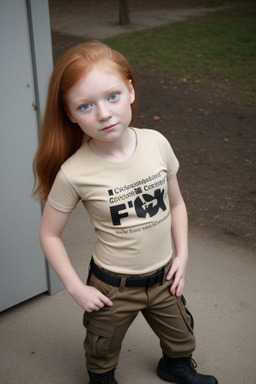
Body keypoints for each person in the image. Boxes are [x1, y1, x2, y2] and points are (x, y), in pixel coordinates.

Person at [33, 40, 218, 384]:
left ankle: (175, 366)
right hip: (112, 288)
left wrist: (183, 255)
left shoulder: (156, 143)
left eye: (112, 96)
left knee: (182, 336)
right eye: (85, 106)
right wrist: (76, 288)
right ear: (70, 114)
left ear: (130, 91)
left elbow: (175, 202)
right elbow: (49, 234)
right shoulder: (74, 172)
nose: (103, 113)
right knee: (101, 348)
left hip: (164, 278)